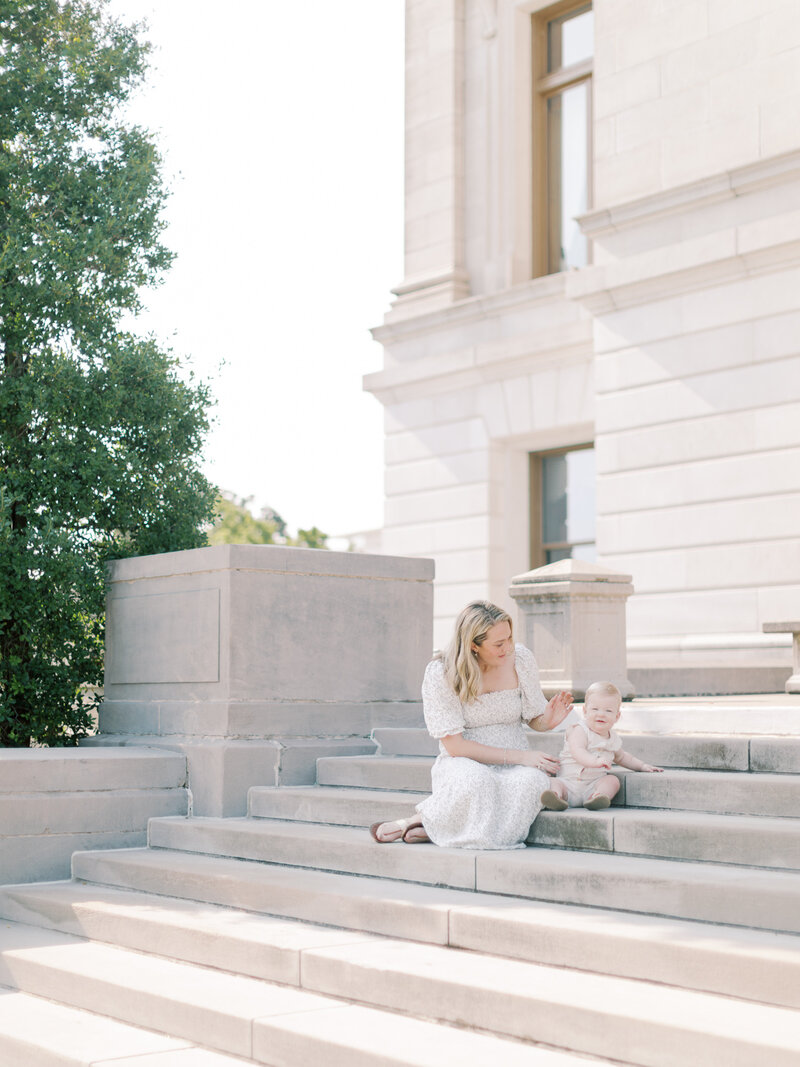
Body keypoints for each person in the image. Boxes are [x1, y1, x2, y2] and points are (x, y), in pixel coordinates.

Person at [369, 600, 573, 849]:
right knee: (477, 782)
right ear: (473, 645)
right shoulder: (441, 673)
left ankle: (434, 829)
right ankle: (424, 822)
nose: (508, 648)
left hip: (517, 755)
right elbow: (455, 746)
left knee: (528, 783)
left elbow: (534, 719)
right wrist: (520, 756)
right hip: (465, 758)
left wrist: (548, 721)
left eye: (509, 638)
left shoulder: (521, 659)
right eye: (498, 644)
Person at [540, 680, 663, 812]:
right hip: (568, 784)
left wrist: (642, 766)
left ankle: (597, 796)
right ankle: (556, 797)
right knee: (554, 783)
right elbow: (577, 751)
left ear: (617, 716)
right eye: (595, 709)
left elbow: (623, 757)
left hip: (592, 785)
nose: (601, 714)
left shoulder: (612, 739)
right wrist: (596, 761)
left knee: (612, 781)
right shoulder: (580, 730)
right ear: (585, 711)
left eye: (608, 710)